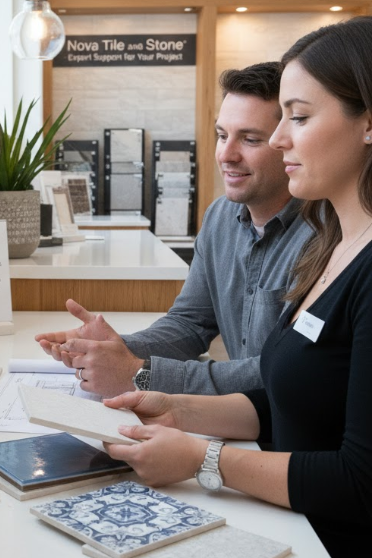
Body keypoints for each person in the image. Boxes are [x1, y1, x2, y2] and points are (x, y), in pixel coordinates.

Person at [103, 17, 372, 557]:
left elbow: (360, 481)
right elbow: (299, 401)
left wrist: (204, 460)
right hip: (290, 523)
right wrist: (178, 411)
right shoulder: (332, 247)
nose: (277, 139)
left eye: (297, 117)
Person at [35, 62, 314, 398]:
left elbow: (282, 371)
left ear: (289, 142)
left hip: (282, 434)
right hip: (237, 422)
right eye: (222, 135)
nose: (226, 154)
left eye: (250, 139)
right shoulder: (220, 218)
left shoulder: (325, 237)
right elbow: (190, 324)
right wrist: (115, 347)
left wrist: (141, 374)